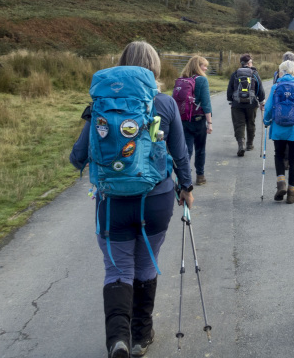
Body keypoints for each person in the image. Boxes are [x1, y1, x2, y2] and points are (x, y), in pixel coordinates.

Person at [69, 41, 194, 358]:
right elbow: (180, 154)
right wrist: (187, 187)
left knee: (117, 270)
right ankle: (141, 335)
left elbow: (78, 156)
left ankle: (118, 340)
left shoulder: (99, 105)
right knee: (146, 265)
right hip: (156, 201)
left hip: (111, 203)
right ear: (155, 68)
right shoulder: (164, 104)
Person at [262, 59, 294, 204]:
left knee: (279, 155)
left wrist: (266, 121)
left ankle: (281, 183)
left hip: (279, 128)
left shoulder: (275, 87)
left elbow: (268, 108)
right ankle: (291, 193)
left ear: (280, 72)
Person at [179, 55, 213, 186]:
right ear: (197, 66)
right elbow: (206, 103)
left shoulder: (182, 79)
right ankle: (200, 176)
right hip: (198, 120)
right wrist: (209, 123)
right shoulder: (202, 80)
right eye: (204, 65)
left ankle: (184, 177)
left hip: (183, 119)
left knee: (186, 150)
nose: (205, 68)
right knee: (200, 149)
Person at [226, 53, 265, 156]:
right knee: (250, 123)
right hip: (251, 104)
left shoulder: (235, 74)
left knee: (239, 124)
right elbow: (260, 89)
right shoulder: (254, 74)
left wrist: (231, 101)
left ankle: (241, 145)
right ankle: (249, 144)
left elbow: (230, 89)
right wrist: (261, 102)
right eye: (251, 62)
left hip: (237, 104)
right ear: (249, 63)